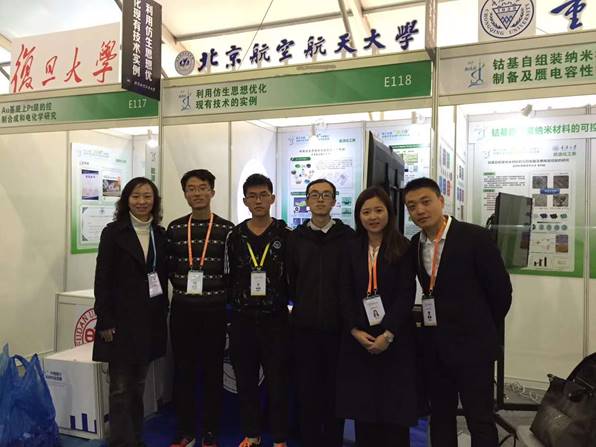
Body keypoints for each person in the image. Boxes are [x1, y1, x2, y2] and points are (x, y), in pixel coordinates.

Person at [403, 177, 513, 447]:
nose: (419, 210)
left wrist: (479, 328)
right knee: (441, 417)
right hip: (435, 348)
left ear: (441, 201)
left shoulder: (475, 237)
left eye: (426, 202)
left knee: (480, 419)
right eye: (412, 206)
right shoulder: (415, 243)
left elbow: (501, 293)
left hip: (473, 348)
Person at [336, 186, 417, 447]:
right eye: (366, 211)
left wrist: (388, 334)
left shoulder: (403, 247)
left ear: (389, 213)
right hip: (360, 339)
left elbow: (406, 293)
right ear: (359, 216)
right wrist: (354, 330)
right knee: (365, 412)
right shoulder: (350, 248)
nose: (373, 217)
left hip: (394, 340)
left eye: (378, 210)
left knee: (394, 414)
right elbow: (344, 291)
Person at [93, 177, 169, 447]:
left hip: (149, 321)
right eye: (136, 196)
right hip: (120, 322)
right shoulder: (113, 233)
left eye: (147, 196)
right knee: (120, 388)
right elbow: (102, 278)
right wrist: (104, 319)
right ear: (126, 200)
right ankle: (121, 442)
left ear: (154, 201)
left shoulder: (160, 234)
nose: (141, 201)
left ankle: (135, 439)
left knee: (138, 386)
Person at [167, 169, 234, 447]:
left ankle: (210, 431)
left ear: (212, 192)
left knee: (211, 372)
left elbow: (231, 271)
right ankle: (186, 430)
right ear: (185, 194)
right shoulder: (174, 228)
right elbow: (168, 267)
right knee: (183, 372)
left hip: (214, 311)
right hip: (183, 309)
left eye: (202, 188)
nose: (197, 193)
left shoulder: (228, 230)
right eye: (191, 189)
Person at [286, 178, 355, 447]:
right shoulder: (295, 238)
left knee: (335, 394)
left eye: (326, 194)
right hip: (304, 329)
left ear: (334, 201)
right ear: (307, 201)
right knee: (307, 393)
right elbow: (291, 279)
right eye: (314, 194)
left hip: (339, 329)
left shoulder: (348, 238)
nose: (320, 199)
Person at [224, 174, 291, 447]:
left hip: (276, 320)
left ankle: (279, 438)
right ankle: (251, 434)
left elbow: (295, 277)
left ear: (272, 198)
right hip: (243, 320)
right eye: (252, 196)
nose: (258, 200)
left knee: (278, 383)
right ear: (245, 201)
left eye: (263, 195)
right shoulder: (235, 236)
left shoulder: (286, 235)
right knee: (246, 381)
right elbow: (228, 276)